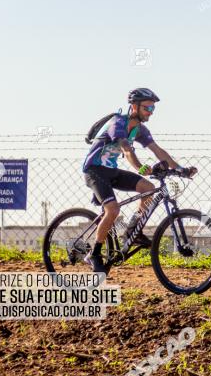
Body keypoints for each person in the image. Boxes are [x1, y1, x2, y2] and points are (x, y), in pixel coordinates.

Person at [81, 88, 194, 273]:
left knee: (148, 188)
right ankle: (93, 253)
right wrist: (141, 168)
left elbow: (158, 151)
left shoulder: (140, 129)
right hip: (94, 170)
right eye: (147, 108)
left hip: (111, 170)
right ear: (134, 106)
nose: (150, 113)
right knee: (113, 210)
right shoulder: (117, 123)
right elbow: (126, 150)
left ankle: (133, 230)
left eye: (152, 109)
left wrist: (180, 169)